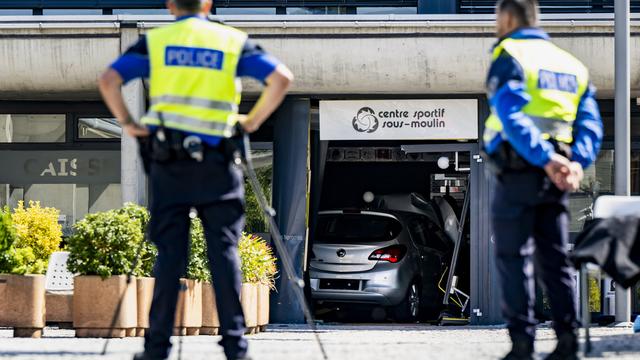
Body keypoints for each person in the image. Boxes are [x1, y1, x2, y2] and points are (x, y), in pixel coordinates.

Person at [98, 1, 293, 359]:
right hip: (218, 162)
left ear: (171, 4)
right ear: (208, 4)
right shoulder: (231, 41)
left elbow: (108, 80)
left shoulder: (156, 42)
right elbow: (282, 79)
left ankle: (157, 347)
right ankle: (235, 345)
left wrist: (129, 123)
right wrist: (249, 123)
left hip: (169, 163)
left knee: (170, 254)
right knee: (224, 251)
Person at [483, 0, 603, 359]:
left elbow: (510, 114)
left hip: (520, 172)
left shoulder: (510, 55)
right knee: (554, 258)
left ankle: (523, 344)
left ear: (507, 17)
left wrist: (544, 157)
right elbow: (591, 124)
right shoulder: (571, 65)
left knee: (513, 257)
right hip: (557, 179)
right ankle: (568, 341)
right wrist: (576, 162)